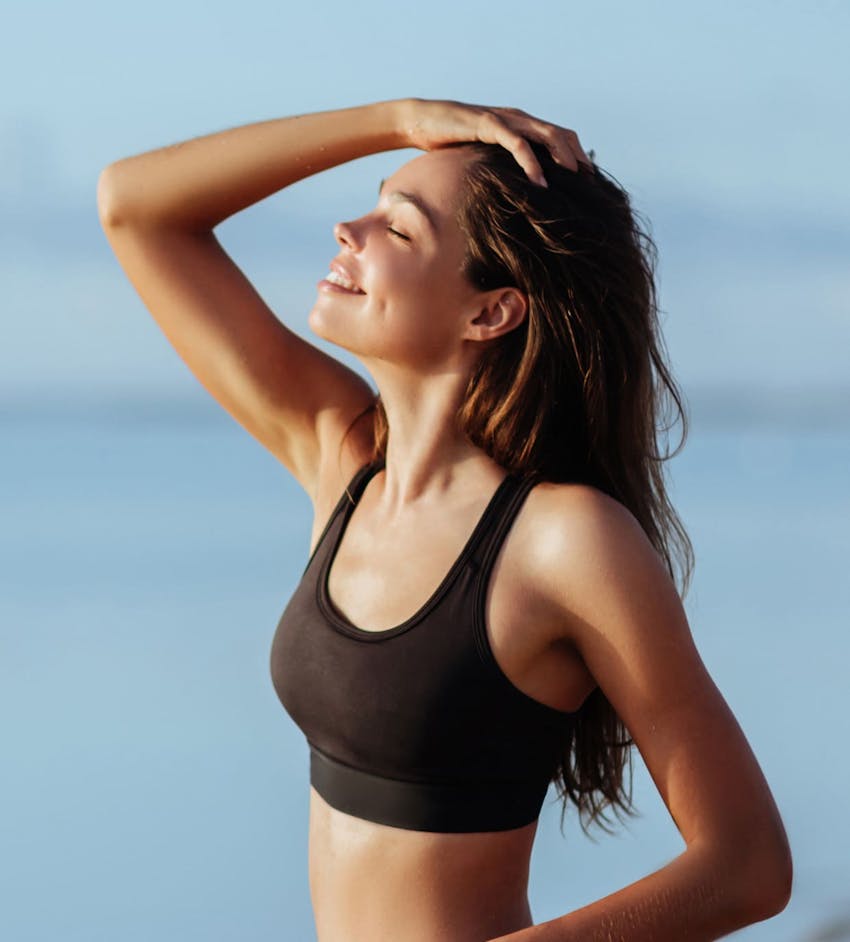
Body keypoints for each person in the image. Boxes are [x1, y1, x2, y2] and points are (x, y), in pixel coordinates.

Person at [97, 97, 792, 941]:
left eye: (399, 228)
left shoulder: (566, 542)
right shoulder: (342, 459)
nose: (348, 230)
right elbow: (134, 208)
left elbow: (746, 863)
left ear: (490, 311)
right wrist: (398, 119)